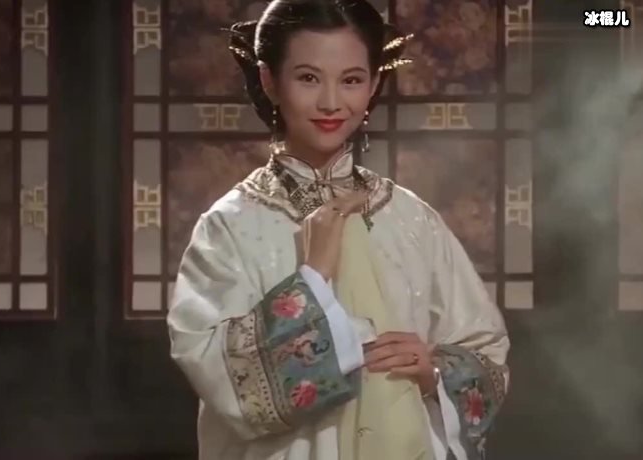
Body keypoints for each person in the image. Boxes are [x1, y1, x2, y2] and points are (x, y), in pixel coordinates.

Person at [167, 1, 510, 459]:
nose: (331, 102)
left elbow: (485, 350)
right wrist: (313, 280)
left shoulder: (411, 218)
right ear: (269, 80)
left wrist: (433, 371)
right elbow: (217, 374)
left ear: (374, 83)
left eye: (351, 80)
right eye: (308, 78)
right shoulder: (230, 226)